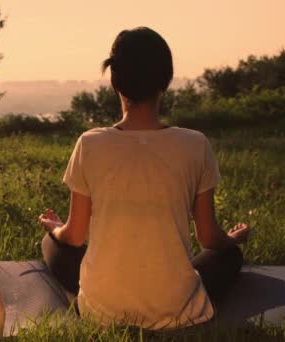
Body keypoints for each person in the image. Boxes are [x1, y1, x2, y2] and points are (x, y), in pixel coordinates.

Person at [38, 27, 251, 330]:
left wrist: (55, 229)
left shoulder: (90, 143)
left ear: (114, 81)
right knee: (229, 258)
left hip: (103, 310)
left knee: (51, 245)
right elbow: (208, 238)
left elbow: (74, 237)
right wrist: (231, 239)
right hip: (178, 308)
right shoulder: (195, 144)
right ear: (165, 81)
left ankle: (100, 291)